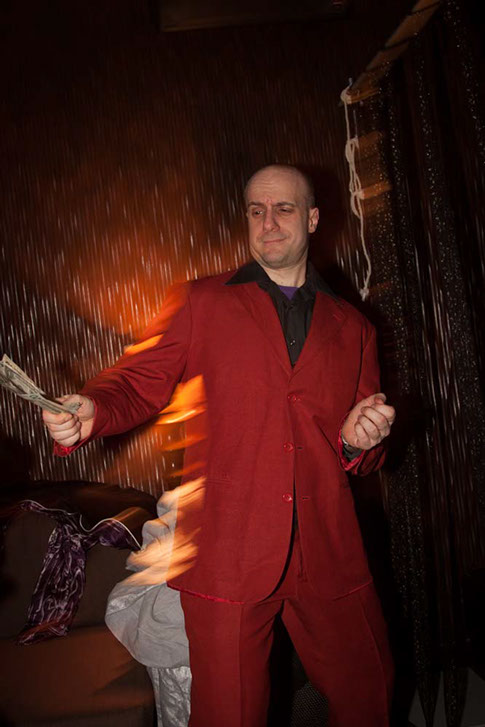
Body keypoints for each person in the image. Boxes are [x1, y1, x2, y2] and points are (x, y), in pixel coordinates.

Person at [43, 164, 396, 727]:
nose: (268, 222)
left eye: (283, 209)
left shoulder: (354, 327)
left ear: (312, 219)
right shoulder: (202, 302)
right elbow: (136, 382)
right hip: (228, 552)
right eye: (256, 210)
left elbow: (364, 449)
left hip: (328, 550)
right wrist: (93, 410)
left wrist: (359, 440)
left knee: (368, 699)